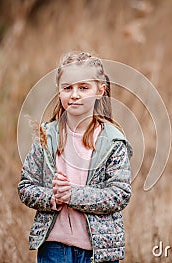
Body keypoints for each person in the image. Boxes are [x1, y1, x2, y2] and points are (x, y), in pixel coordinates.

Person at [18, 51, 132, 263]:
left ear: (100, 90)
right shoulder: (47, 137)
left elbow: (120, 194)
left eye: (83, 87)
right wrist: (52, 197)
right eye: (68, 88)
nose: (75, 94)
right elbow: (26, 186)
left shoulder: (112, 141)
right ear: (59, 91)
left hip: (98, 250)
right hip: (53, 248)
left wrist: (73, 195)